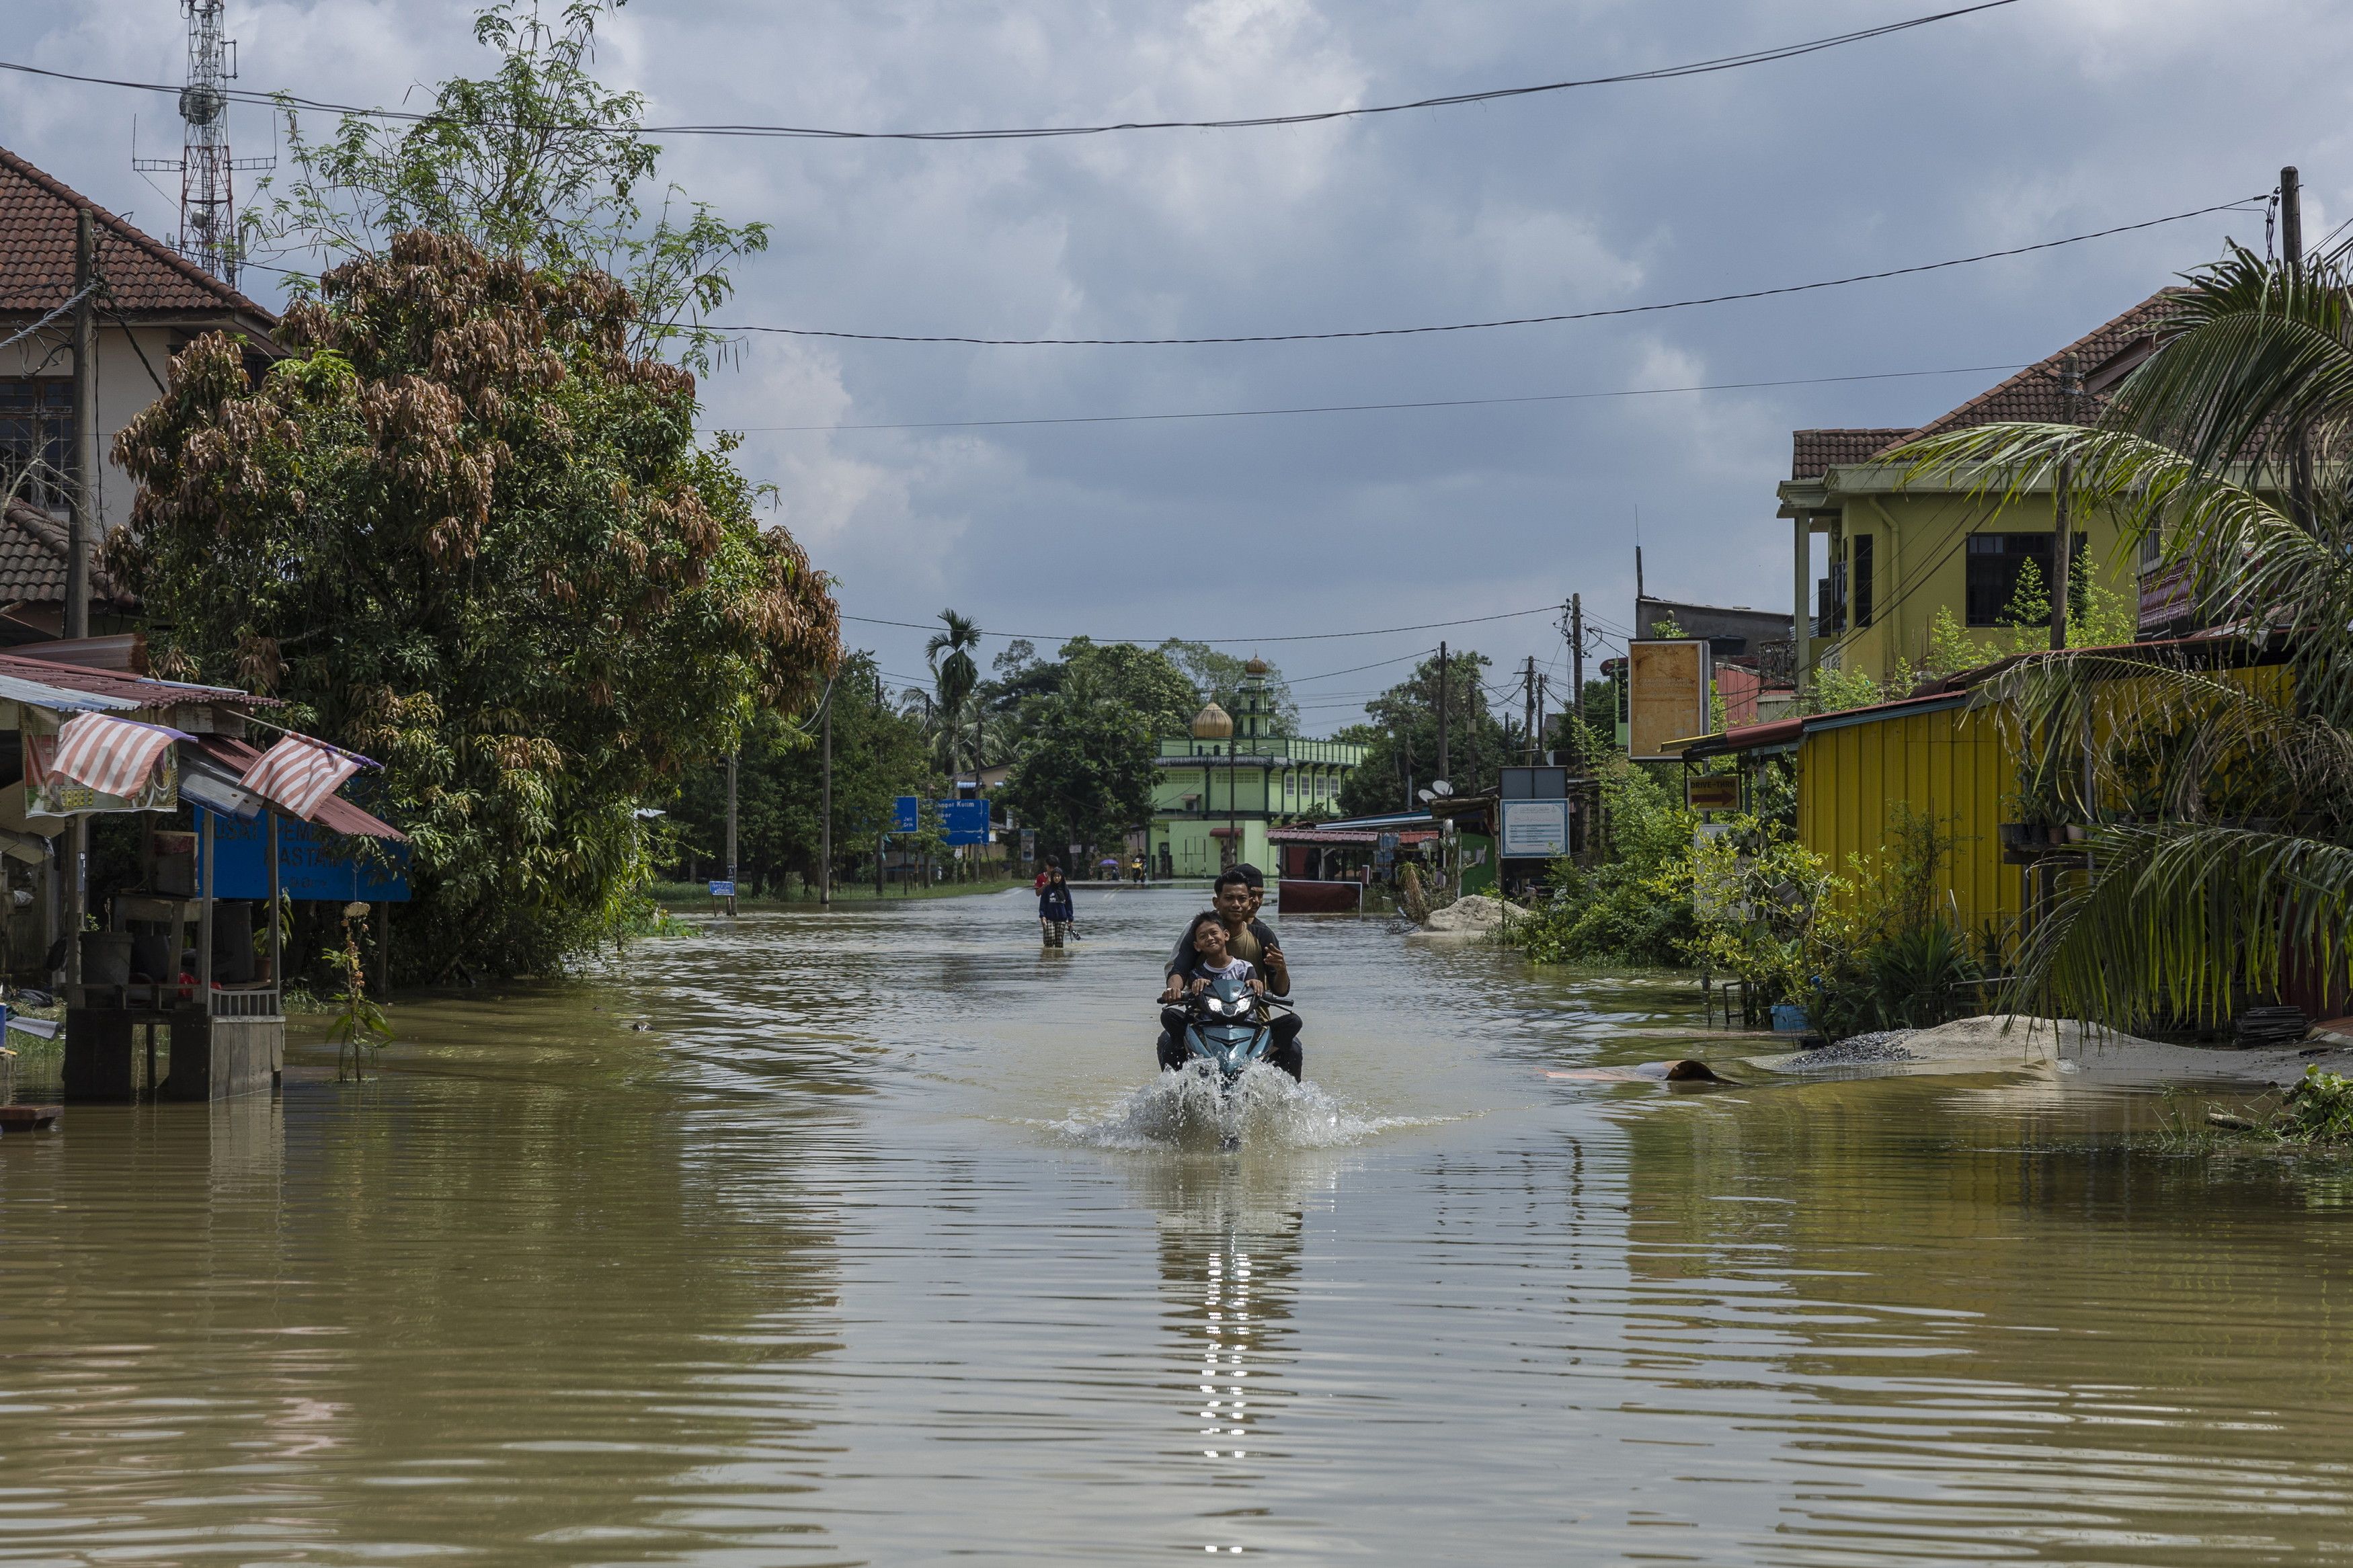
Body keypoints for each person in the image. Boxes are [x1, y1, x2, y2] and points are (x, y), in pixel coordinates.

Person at [1158, 910, 1304, 1077]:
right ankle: (1190, 1051)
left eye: (1214, 933)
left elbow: (1264, 990)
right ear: (1197, 945)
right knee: (1169, 1016)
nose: (1210, 938)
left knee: (1294, 1021)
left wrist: (1256, 985)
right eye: (1203, 936)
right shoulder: (1197, 974)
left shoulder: (1246, 967)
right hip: (1209, 1025)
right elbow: (1180, 977)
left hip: (1245, 1023)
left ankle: (1262, 1053)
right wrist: (1190, 989)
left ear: (1225, 935)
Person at [1160, 867, 1287, 1000]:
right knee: (1170, 1016)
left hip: (1252, 1016)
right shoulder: (1199, 930)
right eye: (1229, 898)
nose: (1236, 905)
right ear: (1216, 902)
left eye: (1242, 899)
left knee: (1293, 1021)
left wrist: (1282, 969)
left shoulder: (1263, 936)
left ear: (1249, 903)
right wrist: (1173, 990)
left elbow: (1281, 991)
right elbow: (1179, 969)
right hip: (1205, 1015)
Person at [1038, 864, 1074, 948]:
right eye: (1055, 876)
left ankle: (1058, 959)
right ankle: (1048, 956)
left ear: (1061, 877)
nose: (1057, 878)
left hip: (1062, 919)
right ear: (1052, 877)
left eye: (1059, 876)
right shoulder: (1047, 889)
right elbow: (1043, 903)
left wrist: (1070, 919)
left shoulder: (1065, 890)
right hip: (1049, 919)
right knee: (1050, 938)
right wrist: (1042, 916)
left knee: (1059, 942)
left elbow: (1069, 904)